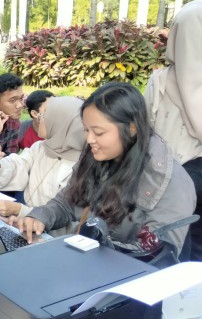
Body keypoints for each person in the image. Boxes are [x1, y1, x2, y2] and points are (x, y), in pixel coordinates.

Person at [11, 82, 195, 258]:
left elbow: (155, 254)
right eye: (86, 130)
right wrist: (39, 217)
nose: (89, 139)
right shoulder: (97, 156)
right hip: (84, 261)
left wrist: (98, 245)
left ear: (132, 128)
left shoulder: (170, 183)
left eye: (98, 132)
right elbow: (67, 202)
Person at [145, 0, 202, 262]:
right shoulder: (159, 81)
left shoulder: (160, 81)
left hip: (172, 175)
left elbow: (145, 131)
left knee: (180, 251)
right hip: (179, 176)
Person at [0, 96, 85, 224]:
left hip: (52, 234)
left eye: (44, 116)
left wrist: (20, 210)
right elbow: (19, 165)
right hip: (23, 222)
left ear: (60, 123)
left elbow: (63, 213)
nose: (38, 119)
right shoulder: (41, 147)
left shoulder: (81, 165)